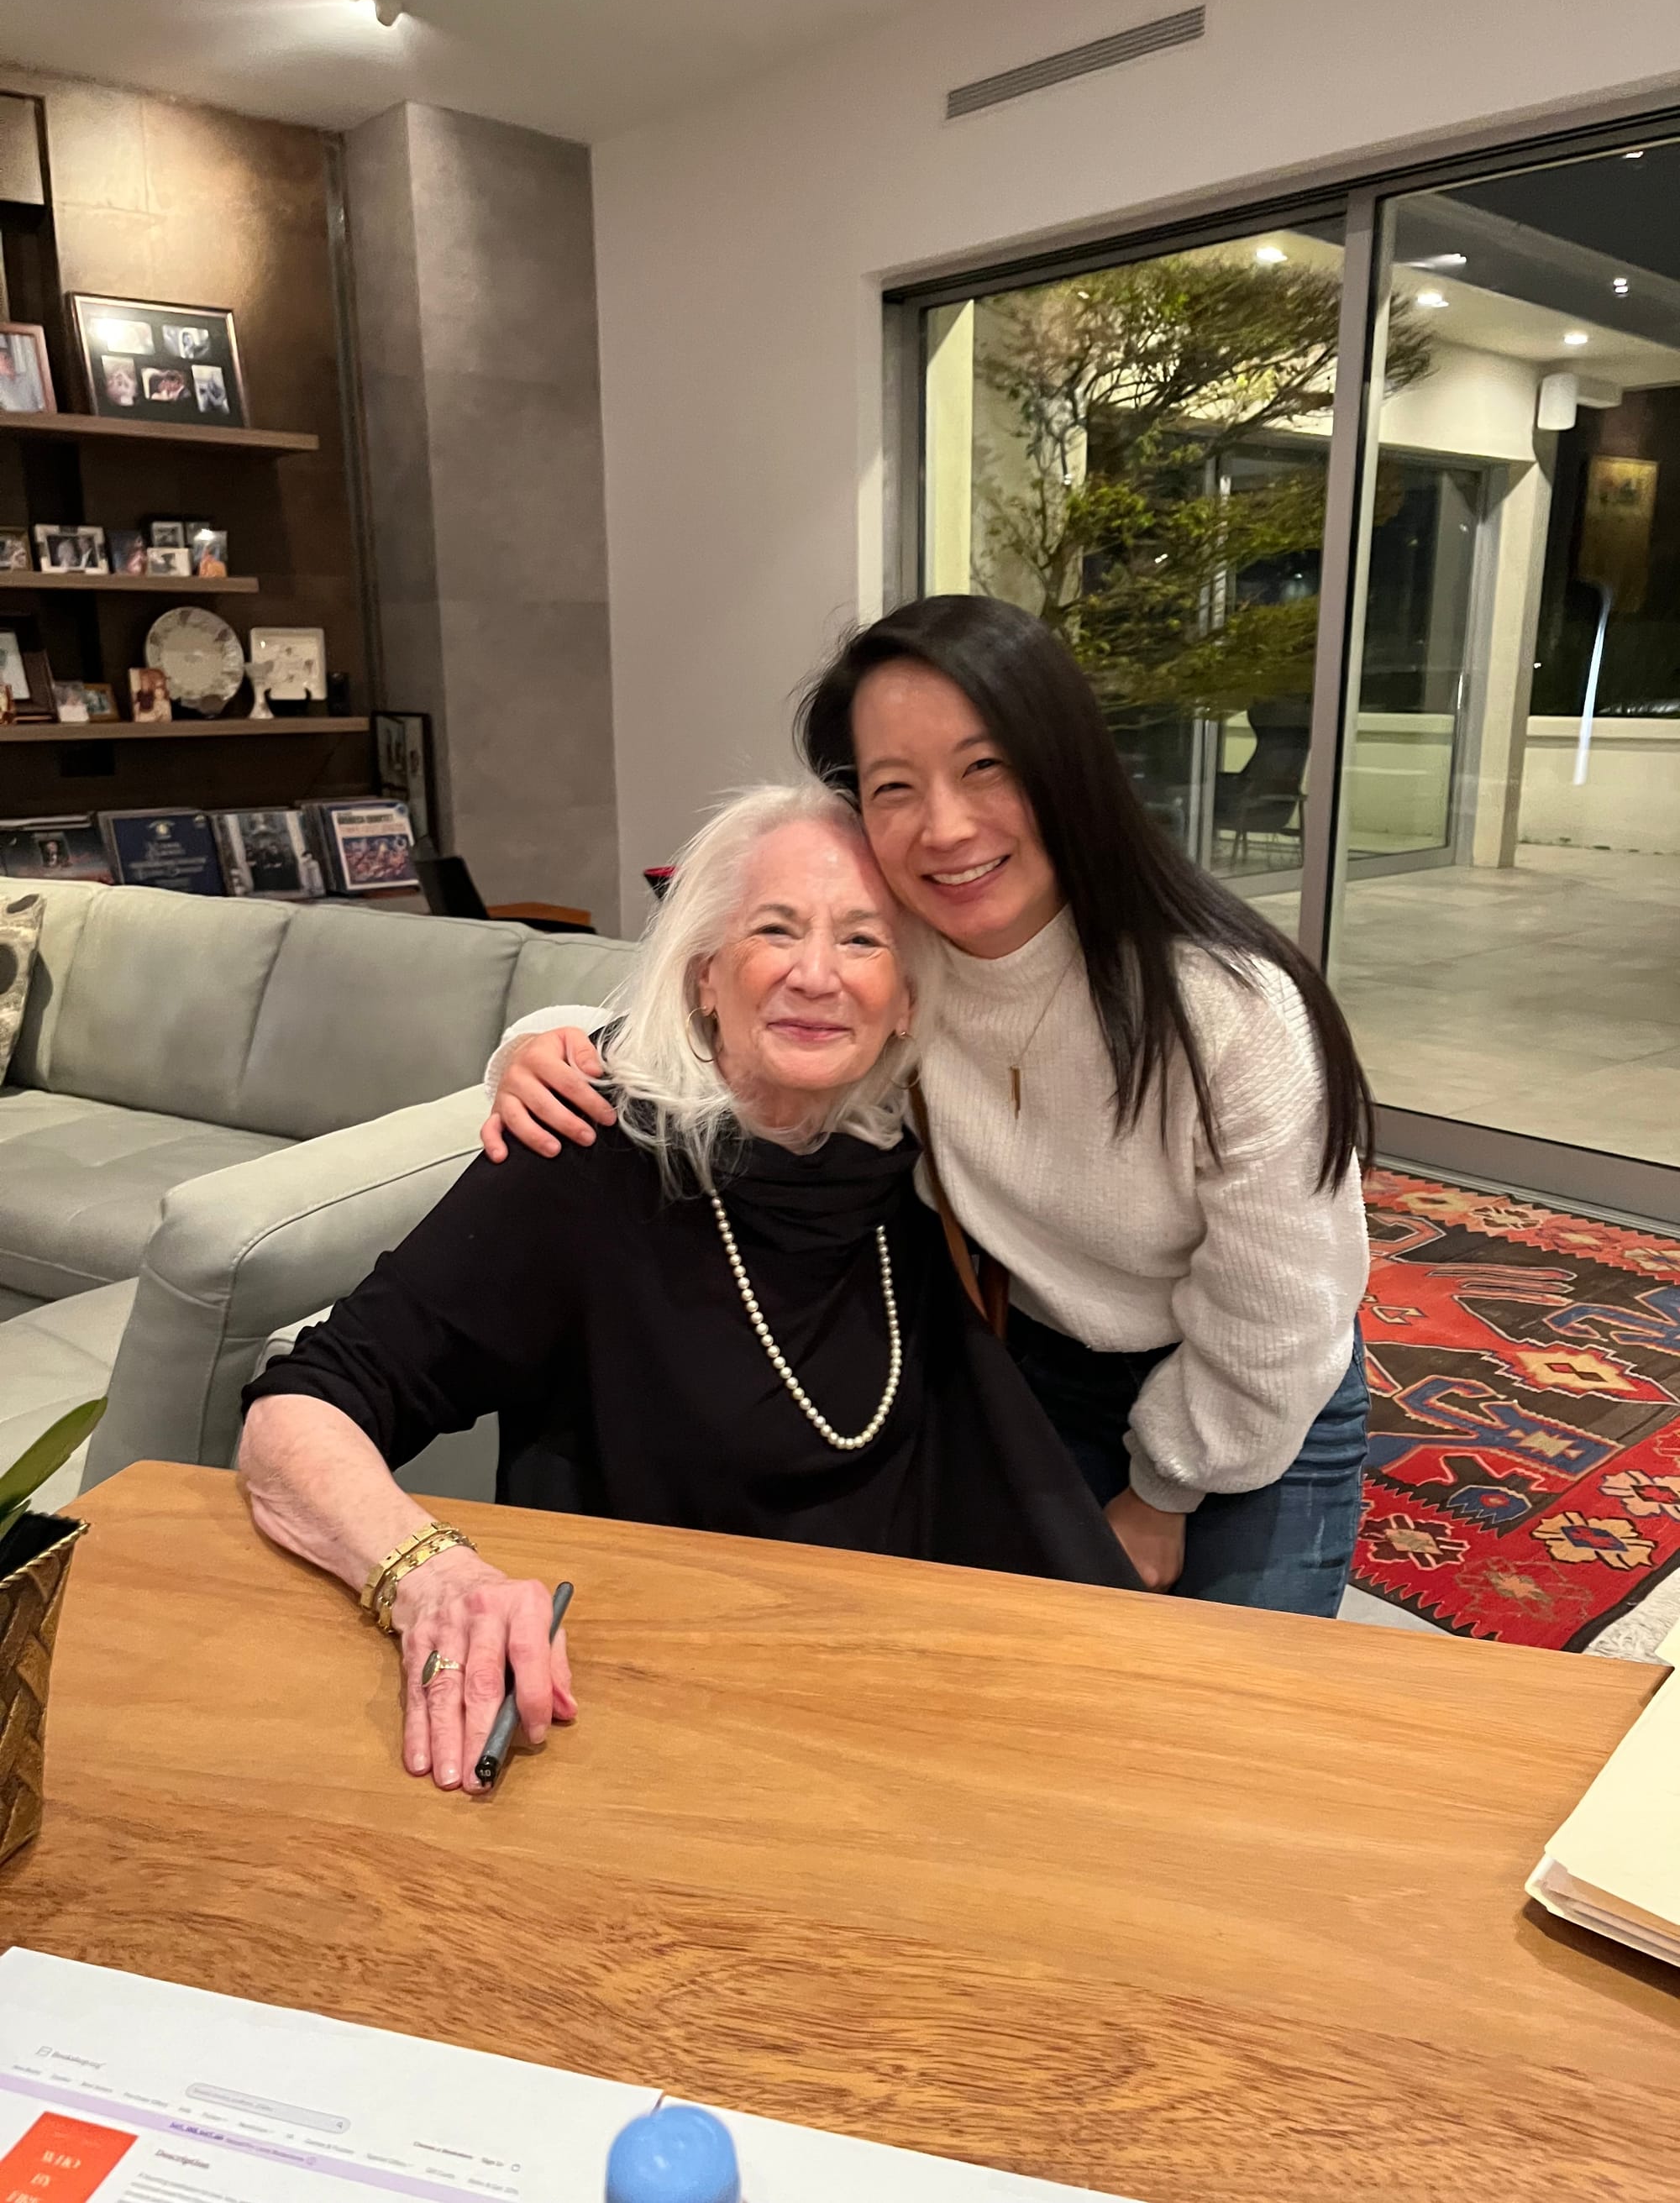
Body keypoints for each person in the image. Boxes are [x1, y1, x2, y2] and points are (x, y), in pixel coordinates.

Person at [239, 779, 1137, 1796]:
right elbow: (298, 1410)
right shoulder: (588, 1157)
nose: (814, 974)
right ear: (705, 975)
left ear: (910, 1001)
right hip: (651, 1705)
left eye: (862, 940)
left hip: (901, 1681)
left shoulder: (928, 1158)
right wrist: (433, 1578)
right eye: (774, 929)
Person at [484, 596, 1372, 1618]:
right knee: (1015, 1675)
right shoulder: (902, 975)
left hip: (1254, 1394)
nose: (945, 828)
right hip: (1033, 1373)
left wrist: (1159, 1494)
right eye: (893, 787)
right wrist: (541, 1042)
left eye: (984, 767)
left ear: (1064, 765)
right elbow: (716, 1025)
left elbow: (1276, 1317)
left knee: (1231, 1701)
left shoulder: (1224, 1010)